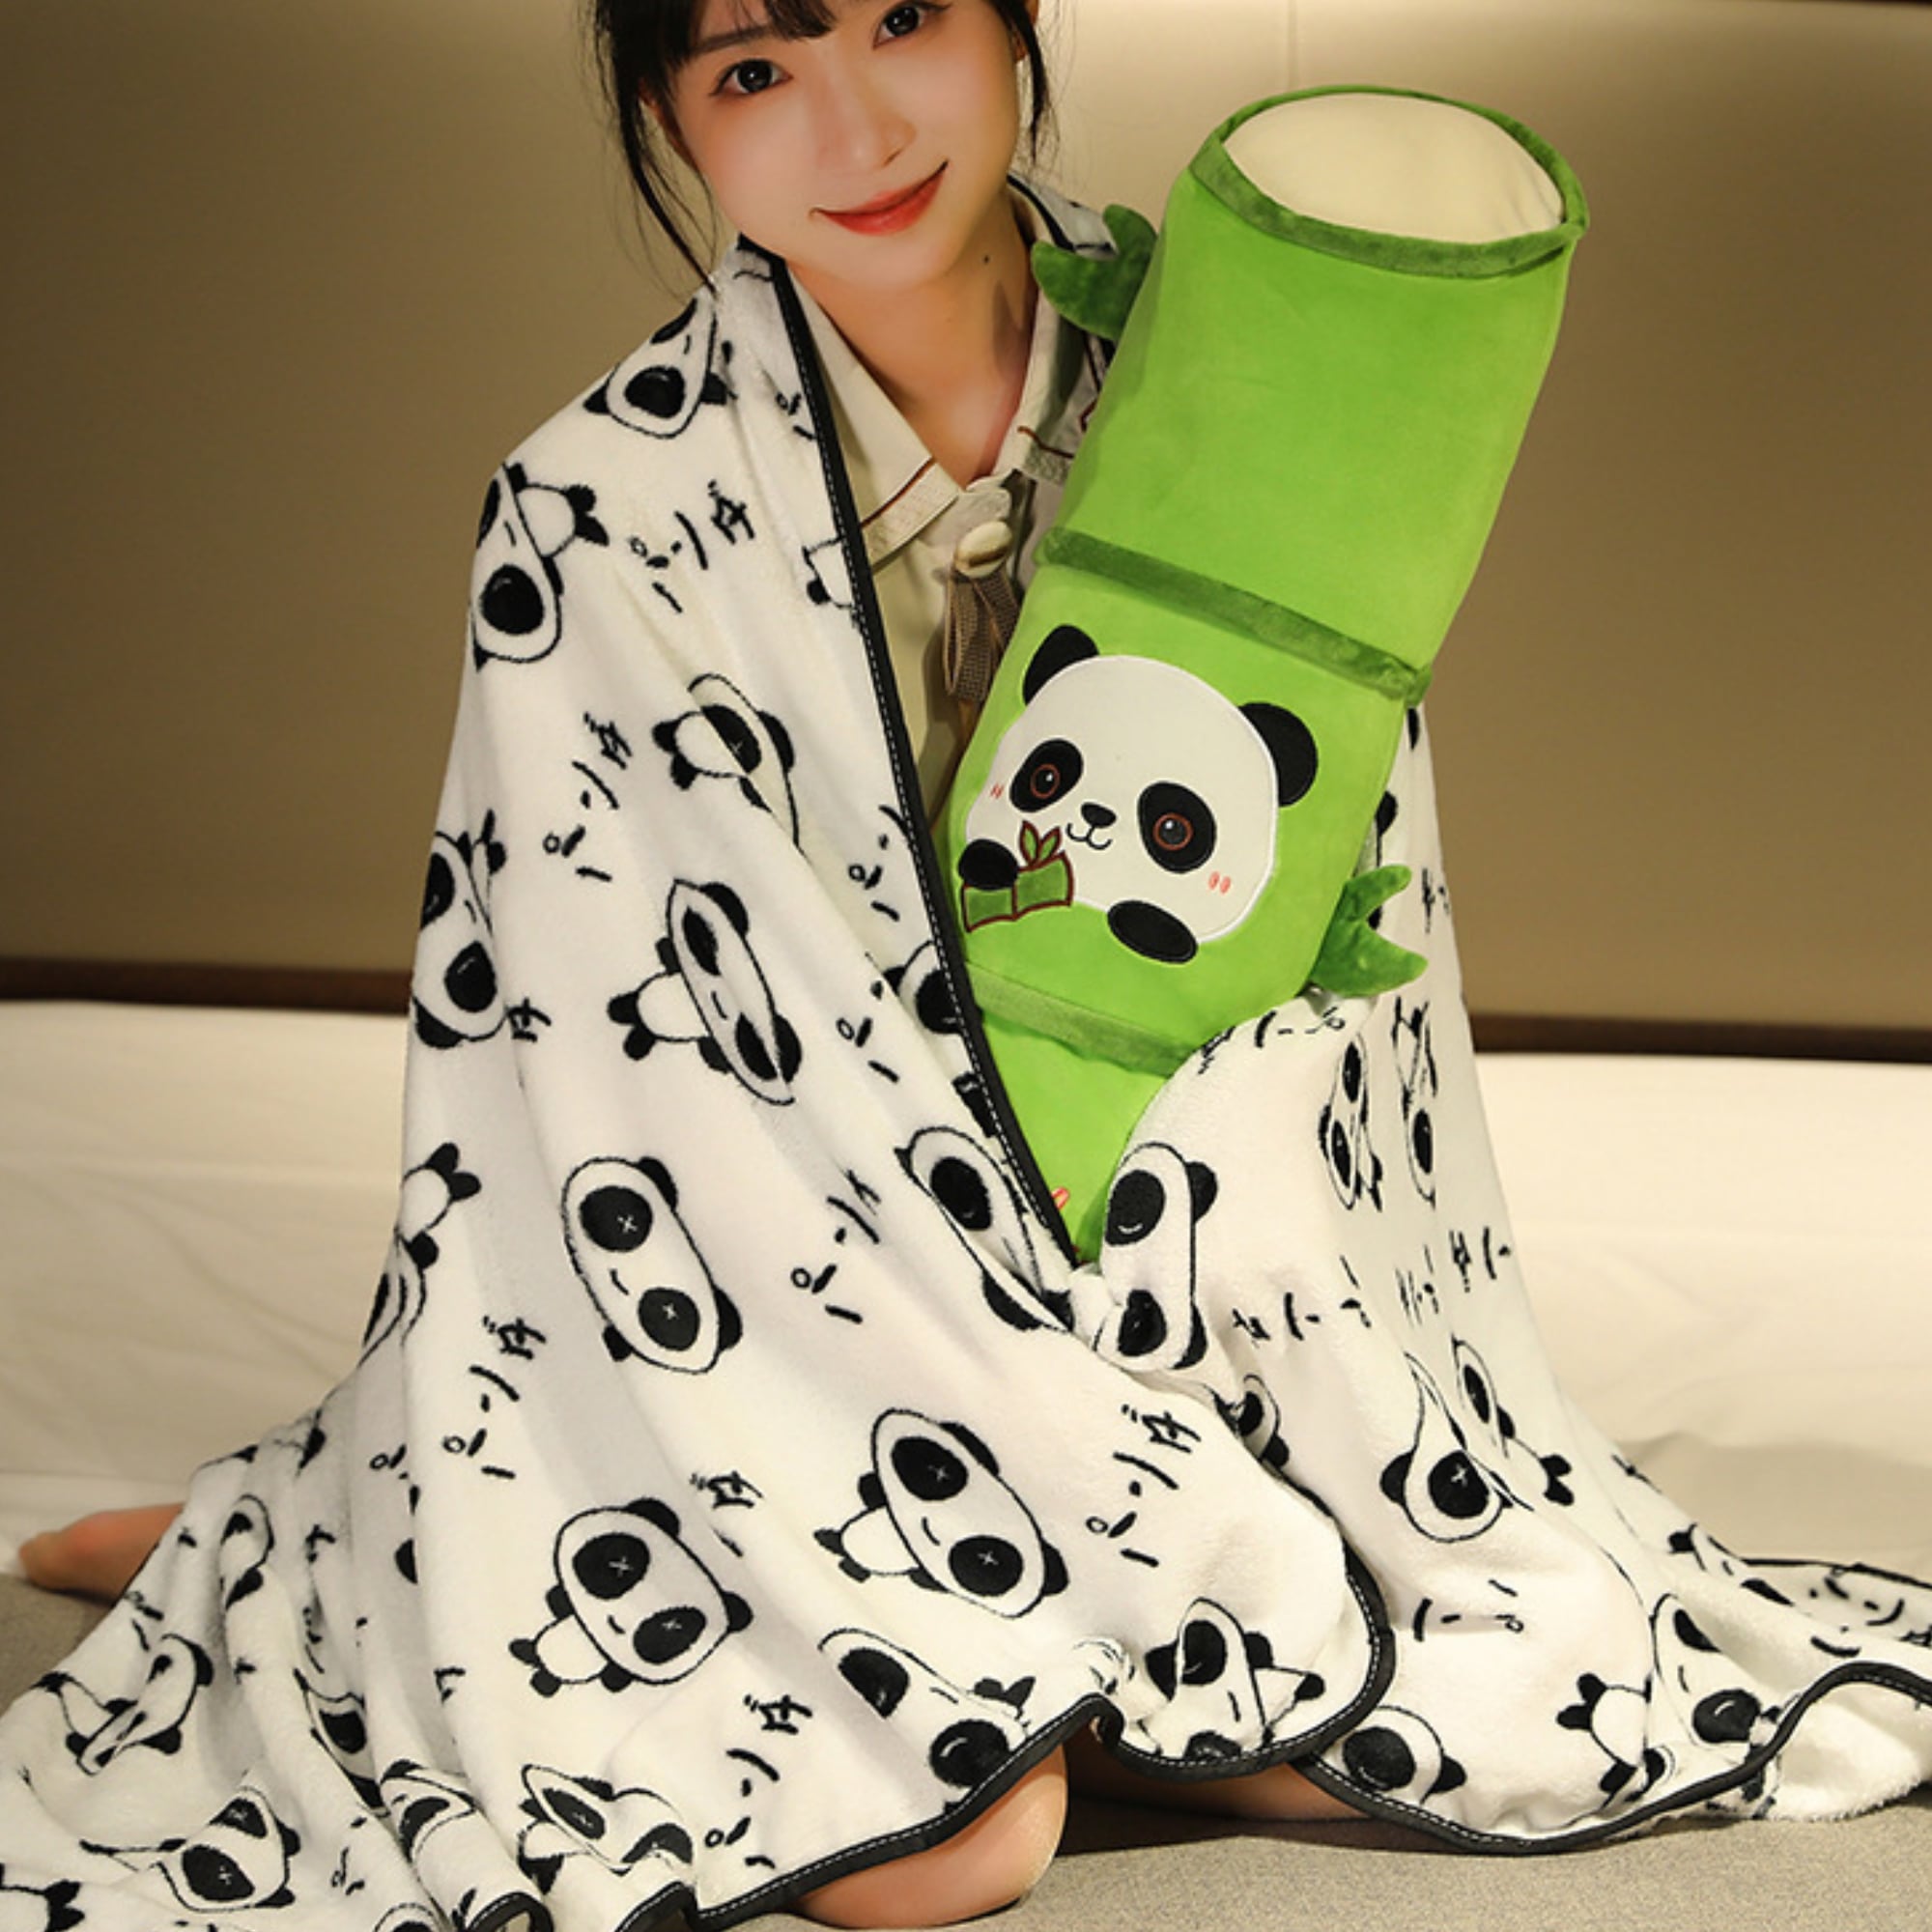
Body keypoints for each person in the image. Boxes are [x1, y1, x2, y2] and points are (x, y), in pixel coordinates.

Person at [10, 5, 1929, 1930]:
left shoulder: (1247, 360)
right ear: (670, 121)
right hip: (804, 1258)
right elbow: (635, 1065)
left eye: (904, 15)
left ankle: (400, 1523)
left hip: (1170, 1214)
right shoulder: (601, 506)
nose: (853, 127)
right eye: (751, 71)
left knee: (1435, 1693)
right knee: (949, 1850)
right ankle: (353, 1524)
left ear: (1015, 22)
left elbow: (1344, 904)